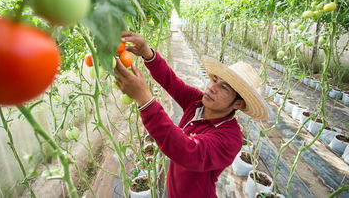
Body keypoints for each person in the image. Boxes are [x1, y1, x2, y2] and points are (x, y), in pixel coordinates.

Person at [114, 31, 269, 198]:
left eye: (224, 88)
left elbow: (188, 151)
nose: (212, 87)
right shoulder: (197, 101)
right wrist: (148, 53)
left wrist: (144, 100)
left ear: (238, 103)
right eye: (215, 80)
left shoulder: (230, 139)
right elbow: (170, 81)